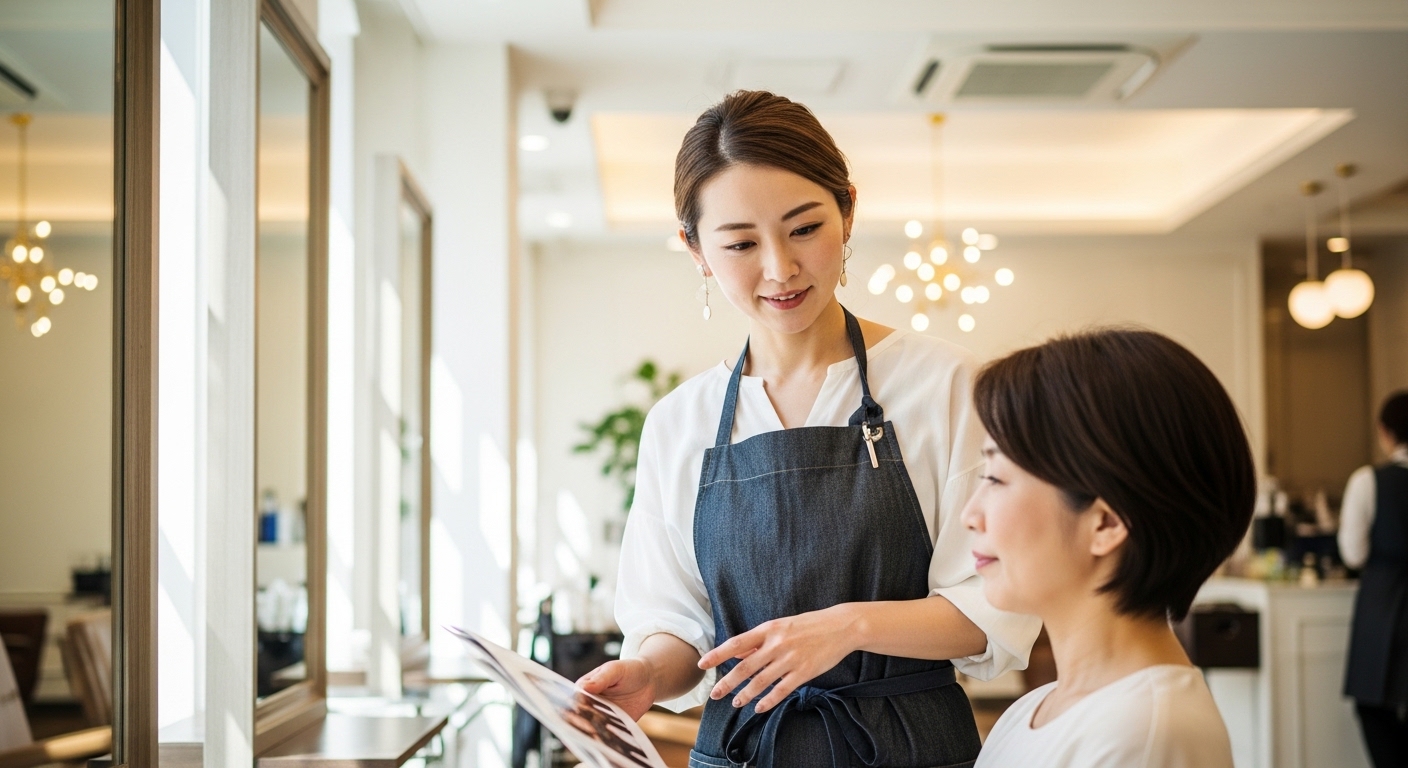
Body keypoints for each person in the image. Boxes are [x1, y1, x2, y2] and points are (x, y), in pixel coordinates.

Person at [579, 90, 1039, 768]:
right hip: (740, 751)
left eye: (804, 229)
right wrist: (649, 674)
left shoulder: (948, 385)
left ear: (847, 209)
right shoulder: (680, 422)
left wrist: (850, 627)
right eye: (739, 243)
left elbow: (998, 606)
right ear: (695, 250)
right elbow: (676, 625)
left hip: (908, 749)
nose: (780, 268)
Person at [966, 329, 1255, 768]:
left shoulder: (1143, 736)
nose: (971, 514)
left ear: (1106, 523)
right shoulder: (1035, 710)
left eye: (996, 479)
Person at [1340, 391, 1408, 767]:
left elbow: (1354, 553)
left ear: (1386, 432)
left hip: (1385, 604)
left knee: (1374, 708)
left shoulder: (1369, 481)